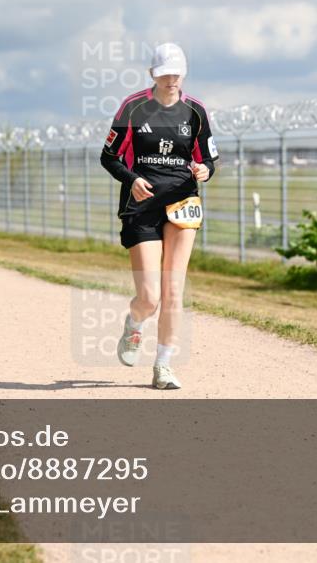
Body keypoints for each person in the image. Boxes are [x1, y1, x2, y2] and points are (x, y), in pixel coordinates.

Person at [99, 43, 220, 390]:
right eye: (164, 73)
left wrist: (205, 171)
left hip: (182, 202)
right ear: (153, 74)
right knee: (150, 297)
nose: (171, 79)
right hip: (143, 206)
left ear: (184, 73)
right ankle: (134, 324)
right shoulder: (133, 107)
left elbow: (208, 159)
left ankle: (163, 366)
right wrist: (132, 180)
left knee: (173, 291)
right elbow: (109, 157)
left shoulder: (196, 111)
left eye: (176, 73)